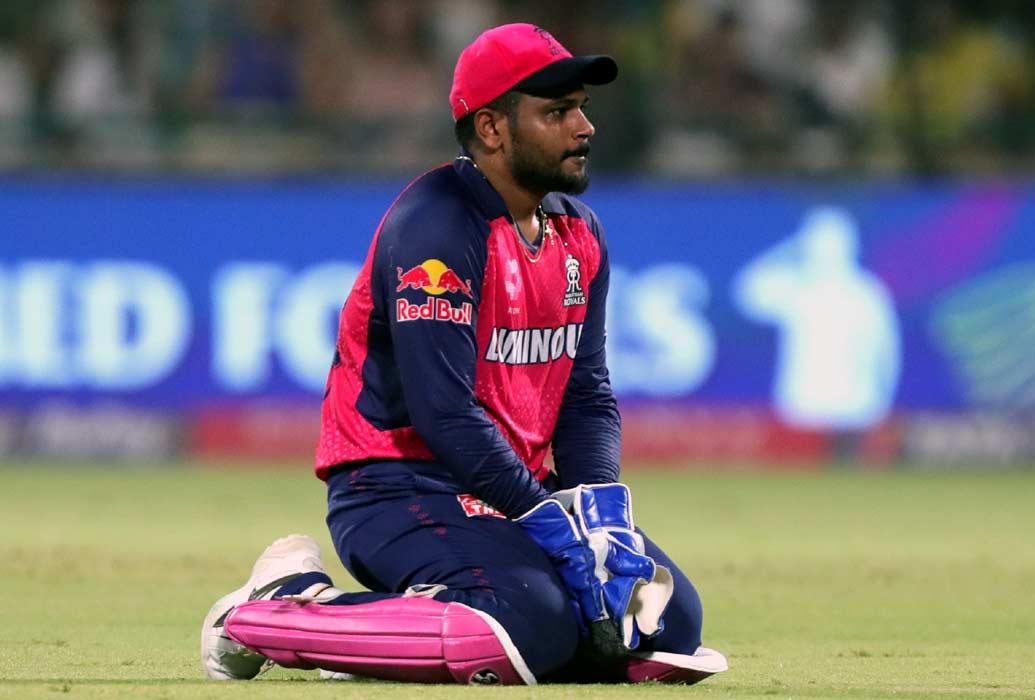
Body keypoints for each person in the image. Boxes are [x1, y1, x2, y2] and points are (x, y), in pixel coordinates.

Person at [199, 23, 726, 686]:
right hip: (397, 488)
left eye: (582, 108)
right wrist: (549, 522)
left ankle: (399, 632)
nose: (584, 127)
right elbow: (442, 412)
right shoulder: (438, 227)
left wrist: (602, 518)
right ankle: (274, 604)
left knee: (662, 624)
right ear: (492, 128)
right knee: (530, 621)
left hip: (508, 492)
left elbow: (586, 396)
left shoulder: (579, 233)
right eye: (558, 113)